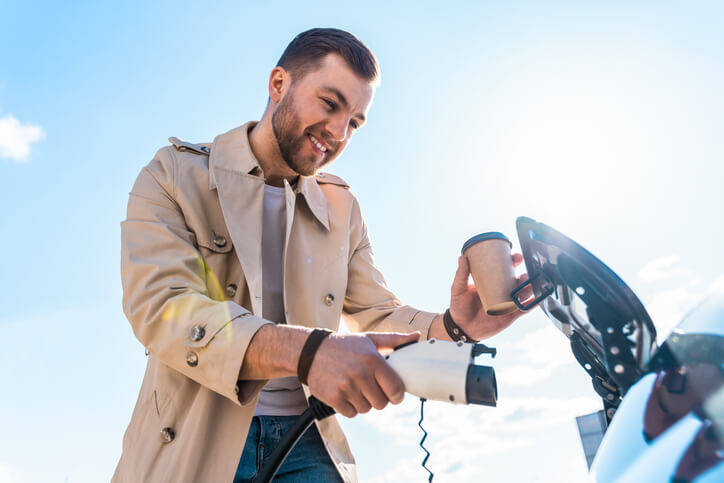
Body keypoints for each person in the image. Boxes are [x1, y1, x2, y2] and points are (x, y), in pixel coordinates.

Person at [113, 28, 530, 483]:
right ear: (278, 85)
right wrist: (308, 351)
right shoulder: (173, 175)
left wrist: (454, 327)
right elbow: (163, 309)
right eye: (330, 104)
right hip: (195, 444)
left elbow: (376, 314)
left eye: (354, 122)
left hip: (307, 441)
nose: (338, 132)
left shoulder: (342, 208)